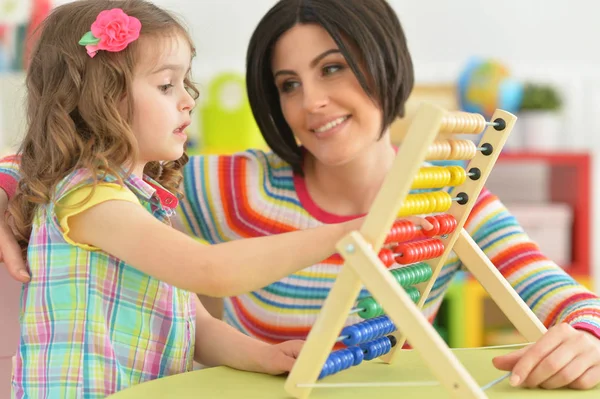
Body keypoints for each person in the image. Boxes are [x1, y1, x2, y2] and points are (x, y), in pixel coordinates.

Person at [2, 0, 600, 391]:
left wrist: (586, 338)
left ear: (385, 64)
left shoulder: (445, 206)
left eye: (333, 68)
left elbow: (569, 299)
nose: (311, 100)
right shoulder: (230, 187)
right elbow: (71, 167)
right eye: (289, 84)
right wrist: (8, 191)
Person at [0, 1, 388, 397]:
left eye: (186, 82)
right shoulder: (89, 199)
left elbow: (194, 326)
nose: (188, 99)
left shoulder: (144, 203)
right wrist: (348, 233)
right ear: (100, 98)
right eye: (166, 85)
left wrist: (264, 355)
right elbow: (211, 271)